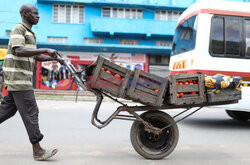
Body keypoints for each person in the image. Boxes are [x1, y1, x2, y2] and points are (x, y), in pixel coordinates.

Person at [0, 4, 63, 161]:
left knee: (6, 111)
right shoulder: (19, 29)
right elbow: (18, 51)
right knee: (31, 112)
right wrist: (45, 49)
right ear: (25, 14)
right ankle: (38, 151)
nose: (38, 16)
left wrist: (53, 57)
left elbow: (33, 56)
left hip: (18, 80)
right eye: (35, 13)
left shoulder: (29, 33)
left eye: (38, 14)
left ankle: (38, 150)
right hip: (19, 79)